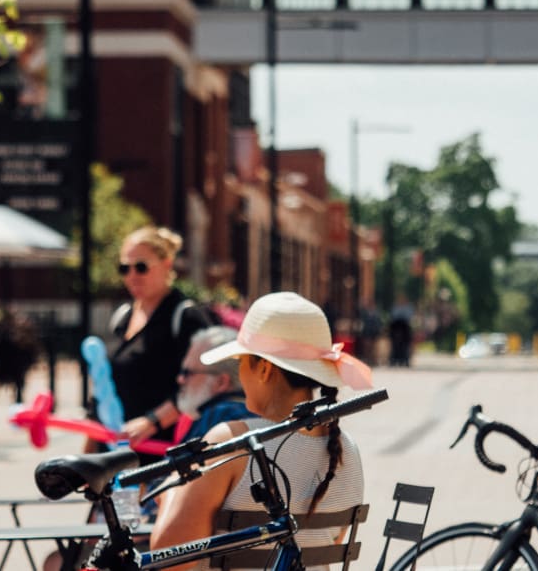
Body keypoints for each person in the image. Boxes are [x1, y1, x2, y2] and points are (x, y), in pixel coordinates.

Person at [151, 291, 373, 569]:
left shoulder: (233, 442)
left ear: (265, 369)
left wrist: (170, 490)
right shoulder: (347, 450)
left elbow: (168, 559)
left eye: (241, 362)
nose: (239, 375)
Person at [107, 226, 214, 450]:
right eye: (124, 268)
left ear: (167, 264)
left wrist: (152, 421)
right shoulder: (122, 317)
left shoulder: (185, 317)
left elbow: (205, 381)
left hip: (163, 452)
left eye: (141, 267)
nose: (132, 276)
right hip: (115, 448)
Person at [175, 326, 254, 443]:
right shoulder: (246, 411)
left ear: (221, 382)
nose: (180, 379)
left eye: (188, 373)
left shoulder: (221, 414)